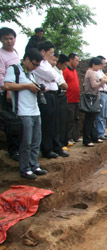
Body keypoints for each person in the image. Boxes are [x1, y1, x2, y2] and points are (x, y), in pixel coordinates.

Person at [4, 48, 48, 179]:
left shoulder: (31, 74)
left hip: (35, 111)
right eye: (34, 64)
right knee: (26, 142)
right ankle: (25, 168)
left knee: (36, 141)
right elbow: (7, 86)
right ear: (26, 59)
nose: (35, 67)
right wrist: (27, 86)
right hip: (23, 112)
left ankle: (34, 165)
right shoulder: (15, 70)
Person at [33, 41, 69, 158]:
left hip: (54, 95)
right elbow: (52, 76)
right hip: (45, 95)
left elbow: (56, 76)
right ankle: (47, 149)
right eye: (50, 53)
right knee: (47, 123)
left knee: (55, 123)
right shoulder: (39, 64)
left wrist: (55, 78)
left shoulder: (47, 64)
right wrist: (54, 78)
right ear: (43, 51)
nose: (51, 55)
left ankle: (56, 147)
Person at [0, 27, 21, 161]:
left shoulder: (15, 53)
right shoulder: (1, 55)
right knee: (11, 121)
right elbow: (1, 75)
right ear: (1, 39)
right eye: (6, 38)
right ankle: (13, 150)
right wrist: (7, 90)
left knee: (19, 120)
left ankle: (19, 147)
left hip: (17, 91)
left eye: (11, 38)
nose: (9, 41)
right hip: (7, 92)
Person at [82, 57, 107, 147]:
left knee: (92, 118)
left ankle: (94, 136)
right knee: (89, 119)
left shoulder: (90, 72)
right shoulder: (91, 73)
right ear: (93, 64)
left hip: (92, 96)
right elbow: (93, 85)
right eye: (98, 66)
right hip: (91, 97)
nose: (98, 68)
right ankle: (87, 139)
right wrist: (102, 83)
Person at [63, 53, 80, 145]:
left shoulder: (74, 71)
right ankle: (68, 138)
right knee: (69, 120)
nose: (78, 62)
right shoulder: (65, 70)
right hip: (69, 100)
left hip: (76, 99)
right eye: (76, 60)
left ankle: (75, 136)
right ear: (71, 60)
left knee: (75, 119)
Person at [53, 53, 69, 145]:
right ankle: (59, 143)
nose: (66, 67)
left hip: (62, 97)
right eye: (65, 64)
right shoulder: (54, 71)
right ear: (59, 63)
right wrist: (65, 86)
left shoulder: (60, 71)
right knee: (59, 121)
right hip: (57, 97)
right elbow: (64, 85)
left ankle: (63, 141)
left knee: (63, 120)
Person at [95, 55, 107, 140]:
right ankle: (100, 133)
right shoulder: (96, 72)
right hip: (100, 93)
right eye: (103, 63)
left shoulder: (101, 71)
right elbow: (104, 80)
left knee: (104, 114)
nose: (104, 65)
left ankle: (103, 132)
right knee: (100, 114)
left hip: (104, 93)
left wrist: (106, 79)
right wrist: (106, 79)